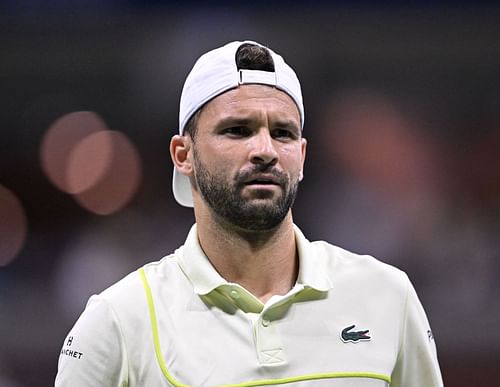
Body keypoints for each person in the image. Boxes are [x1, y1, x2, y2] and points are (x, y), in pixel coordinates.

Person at [55, 40, 443, 387]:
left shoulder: (388, 297)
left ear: (302, 157)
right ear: (183, 155)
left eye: (283, 133)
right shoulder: (118, 320)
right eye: (238, 130)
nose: (265, 150)